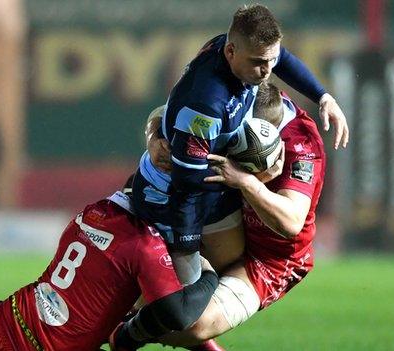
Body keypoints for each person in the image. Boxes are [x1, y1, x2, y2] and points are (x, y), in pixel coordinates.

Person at [131, 3, 346, 289]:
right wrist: (187, 250)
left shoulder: (238, 56)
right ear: (231, 52)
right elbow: (188, 188)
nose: (267, 70)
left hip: (206, 185)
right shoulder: (208, 103)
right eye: (260, 61)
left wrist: (323, 97)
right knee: (183, 300)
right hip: (169, 197)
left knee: (225, 265)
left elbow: (281, 59)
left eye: (271, 60)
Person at [113, 83, 327, 350]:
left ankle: (124, 332)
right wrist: (155, 137)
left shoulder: (302, 145)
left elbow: (291, 223)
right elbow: (164, 113)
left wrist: (247, 183)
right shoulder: (236, 101)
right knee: (134, 263)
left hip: (270, 257)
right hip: (222, 221)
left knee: (191, 324)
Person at [0, 191, 219, 351]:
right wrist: (210, 276)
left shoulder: (96, 211)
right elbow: (177, 314)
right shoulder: (145, 246)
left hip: (5, 321)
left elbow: (96, 301)